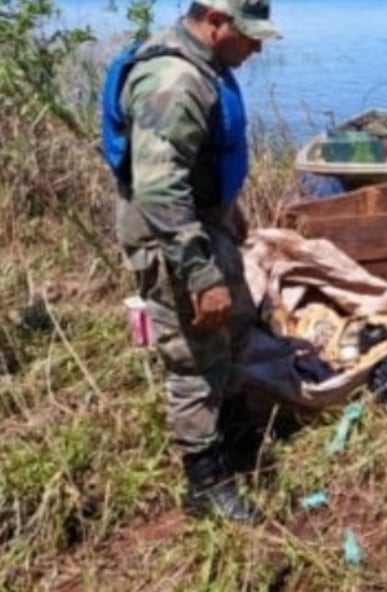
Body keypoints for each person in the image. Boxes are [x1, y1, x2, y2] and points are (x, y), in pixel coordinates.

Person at [101, 0, 281, 522]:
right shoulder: (175, 82)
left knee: (234, 326)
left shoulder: (207, 67)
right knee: (196, 356)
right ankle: (205, 482)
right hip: (173, 241)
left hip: (204, 223)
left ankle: (229, 431)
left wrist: (232, 212)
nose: (257, 46)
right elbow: (160, 193)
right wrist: (201, 275)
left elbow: (196, 162)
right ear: (215, 22)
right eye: (248, 34)